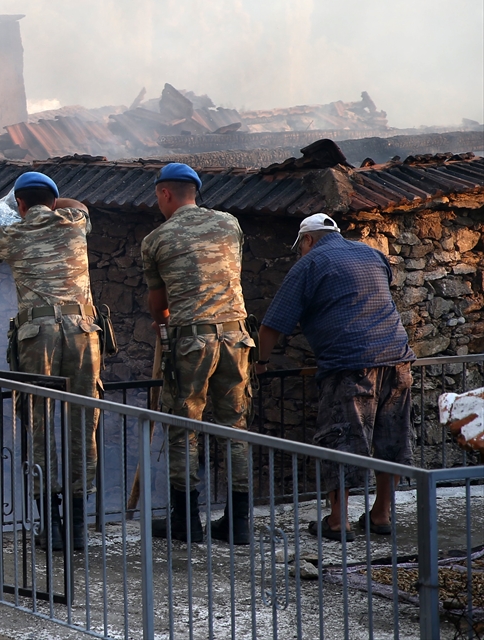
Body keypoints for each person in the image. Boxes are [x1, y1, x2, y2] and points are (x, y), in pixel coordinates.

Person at [256, 213, 415, 540]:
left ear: (308, 240)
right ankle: (381, 515)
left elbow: (272, 324)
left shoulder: (309, 263)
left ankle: (338, 522)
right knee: (391, 438)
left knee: (341, 440)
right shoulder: (373, 254)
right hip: (397, 358)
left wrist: (260, 362)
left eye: (301, 245)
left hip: (350, 363)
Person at [0, 171, 101, 549]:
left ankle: (52, 524)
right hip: (82, 333)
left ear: (20, 205)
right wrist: (57, 201)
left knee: (38, 423)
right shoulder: (74, 223)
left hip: (36, 336)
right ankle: (78, 526)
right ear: (53, 201)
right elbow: (81, 206)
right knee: (83, 422)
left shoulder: (10, 235)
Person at [141, 162, 255, 544]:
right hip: (237, 336)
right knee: (235, 428)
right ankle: (239, 524)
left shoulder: (156, 239)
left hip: (191, 341)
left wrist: (168, 323)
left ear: (164, 193)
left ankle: (187, 522)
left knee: (184, 429)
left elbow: (160, 306)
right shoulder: (229, 223)